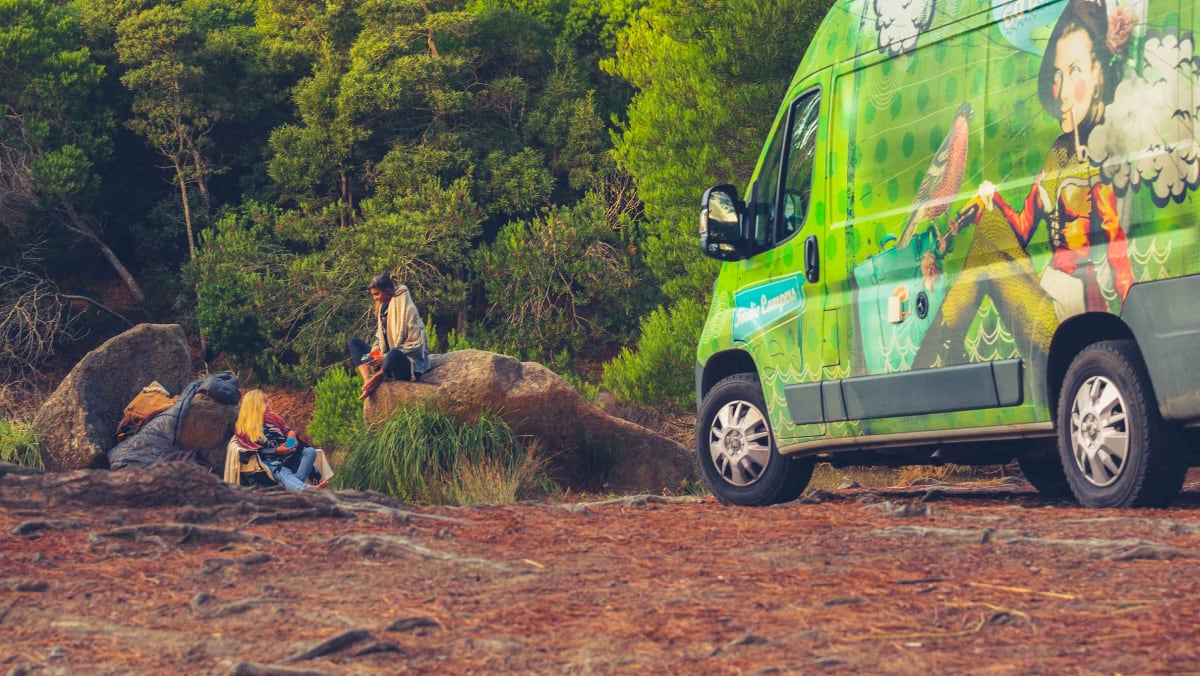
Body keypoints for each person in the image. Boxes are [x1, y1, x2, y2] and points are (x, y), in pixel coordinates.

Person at [913, 0, 1132, 370]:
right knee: (991, 228)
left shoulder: (1104, 150)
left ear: (1098, 74)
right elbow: (1021, 228)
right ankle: (941, 349)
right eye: (1057, 74)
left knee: (986, 243)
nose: (1061, 90)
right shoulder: (1056, 153)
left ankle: (935, 354)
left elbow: (1117, 244)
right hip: (1041, 293)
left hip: (1074, 309)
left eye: (1074, 70)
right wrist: (991, 199)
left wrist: (1135, 316)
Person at [348, 273, 430, 400]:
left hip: (407, 364)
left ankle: (378, 377)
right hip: (386, 360)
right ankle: (367, 380)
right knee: (354, 343)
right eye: (373, 295)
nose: (375, 298)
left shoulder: (407, 310)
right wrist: (376, 354)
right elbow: (379, 338)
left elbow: (417, 345)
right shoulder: (383, 310)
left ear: (386, 291)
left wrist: (384, 357)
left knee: (394, 353)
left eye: (377, 294)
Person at [231, 389, 325, 491]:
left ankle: (295, 485)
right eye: (265, 401)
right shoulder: (244, 427)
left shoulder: (273, 417)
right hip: (271, 461)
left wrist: (290, 442)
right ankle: (306, 490)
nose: (269, 402)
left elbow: (289, 431)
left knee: (310, 451)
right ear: (256, 405)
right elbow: (251, 450)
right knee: (283, 472)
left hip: (289, 455)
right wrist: (277, 451)